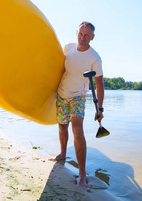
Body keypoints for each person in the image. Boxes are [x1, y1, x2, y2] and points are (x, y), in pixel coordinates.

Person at [50, 21, 104, 186]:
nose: (83, 37)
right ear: (76, 33)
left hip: (78, 96)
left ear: (92, 37)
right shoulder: (68, 48)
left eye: (87, 35)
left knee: (77, 130)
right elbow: (56, 68)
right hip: (62, 93)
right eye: (81, 34)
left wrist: (100, 108)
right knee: (62, 126)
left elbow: (99, 85)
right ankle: (62, 154)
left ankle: (82, 174)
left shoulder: (95, 58)